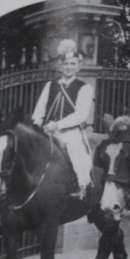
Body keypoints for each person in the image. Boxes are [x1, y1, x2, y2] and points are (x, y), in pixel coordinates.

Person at [30, 38, 95, 196]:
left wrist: (57, 125)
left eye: (73, 64)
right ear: (61, 66)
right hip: (47, 131)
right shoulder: (51, 85)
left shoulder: (84, 87)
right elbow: (40, 108)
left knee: (76, 151)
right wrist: (37, 124)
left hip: (70, 132)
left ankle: (80, 186)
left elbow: (80, 115)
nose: (68, 67)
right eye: (66, 64)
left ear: (78, 67)